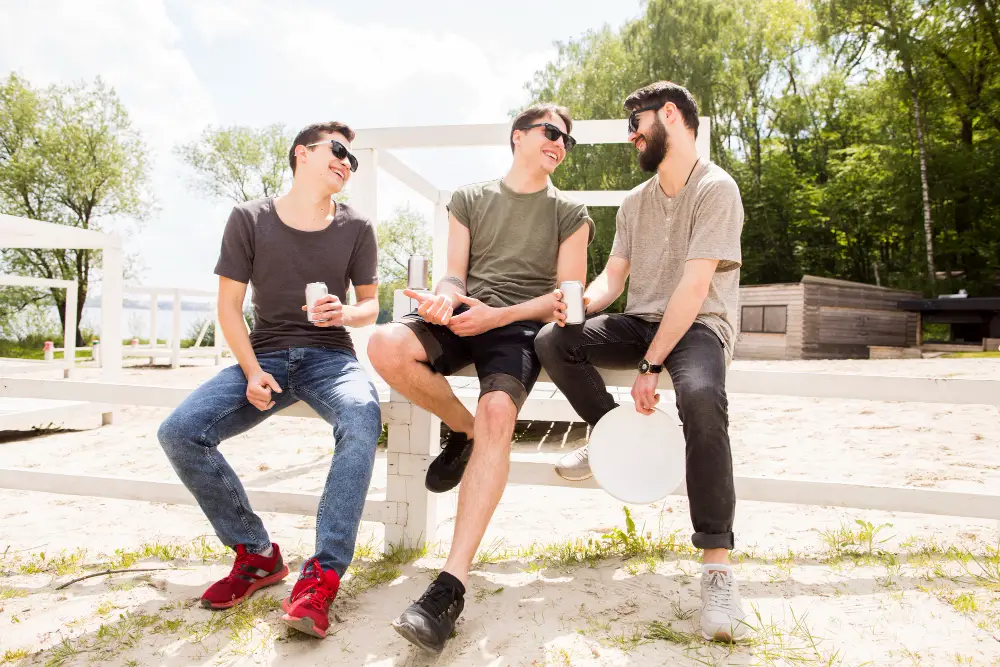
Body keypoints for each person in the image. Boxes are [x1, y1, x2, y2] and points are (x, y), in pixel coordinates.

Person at [367, 103, 594, 653]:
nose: (560, 143)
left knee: (500, 413)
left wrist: (498, 315)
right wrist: (445, 300)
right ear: (518, 136)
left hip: (517, 327)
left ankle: (449, 587)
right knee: (385, 342)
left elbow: (567, 298)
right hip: (465, 313)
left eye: (568, 140)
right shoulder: (469, 198)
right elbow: (453, 272)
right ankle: (462, 431)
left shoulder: (572, 210)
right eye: (551, 132)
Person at [533, 81, 749, 642]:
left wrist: (652, 367)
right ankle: (612, 438)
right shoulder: (635, 201)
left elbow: (696, 285)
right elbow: (614, 277)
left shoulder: (716, 189)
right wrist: (578, 304)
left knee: (702, 400)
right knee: (554, 341)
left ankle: (717, 568)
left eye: (637, 124)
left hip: (700, 323)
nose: (632, 137)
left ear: (670, 116)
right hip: (644, 318)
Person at [157, 121, 381, 640]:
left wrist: (344, 313)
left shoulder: (357, 228)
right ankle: (257, 555)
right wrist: (253, 372)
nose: (347, 163)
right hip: (265, 357)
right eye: (339, 151)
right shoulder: (249, 218)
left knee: (361, 415)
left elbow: (371, 307)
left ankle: (322, 574)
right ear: (302, 153)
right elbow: (229, 308)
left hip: (332, 358)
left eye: (354, 160)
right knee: (179, 432)